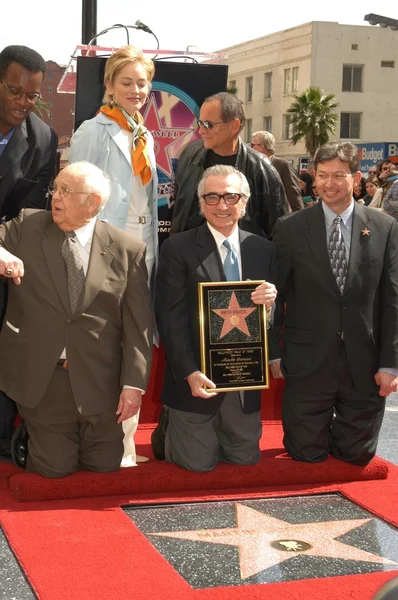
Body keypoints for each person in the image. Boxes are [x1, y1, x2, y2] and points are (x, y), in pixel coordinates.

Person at [0, 161, 153, 478]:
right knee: (55, 470)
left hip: (100, 382)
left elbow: (139, 326)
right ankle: (30, 433)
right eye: (56, 188)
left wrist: (133, 386)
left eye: (66, 191)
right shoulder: (27, 226)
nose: (56, 196)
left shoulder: (127, 249)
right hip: (44, 377)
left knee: (103, 468)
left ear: (93, 202)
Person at [272, 141, 398, 466]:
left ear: (356, 178)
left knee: (355, 458)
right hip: (307, 363)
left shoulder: (385, 228)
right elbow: (275, 296)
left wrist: (390, 364)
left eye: (339, 175)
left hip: (365, 366)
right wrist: (273, 353)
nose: (329, 184)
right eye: (323, 175)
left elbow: (392, 300)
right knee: (305, 454)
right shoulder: (290, 228)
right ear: (314, 177)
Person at [153, 165, 279, 471]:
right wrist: (189, 372)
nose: (222, 205)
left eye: (231, 196)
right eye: (212, 197)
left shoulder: (263, 249)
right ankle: (170, 423)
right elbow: (169, 317)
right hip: (196, 379)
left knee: (245, 460)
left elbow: (269, 322)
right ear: (200, 202)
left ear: (244, 202)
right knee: (197, 465)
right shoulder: (177, 248)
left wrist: (270, 304)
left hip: (242, 382)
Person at [69, 45, 158, 467]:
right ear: (109, 85)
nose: (136, 90)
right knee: (104, 344)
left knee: (135, 340)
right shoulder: (93, 130)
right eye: (127, 82)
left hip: (141, 253)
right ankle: (102, 443)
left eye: (142, 82)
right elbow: (75, 198)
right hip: (104, 253)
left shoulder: (145, 134)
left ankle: (126, 445)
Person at [0, 45, 58, 462]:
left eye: (32, 96)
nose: (24, 103)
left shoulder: (41, 138)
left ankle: (3, 437)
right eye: (15, 91)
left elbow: (31, 212)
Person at [170, 92, 289, 238]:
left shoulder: (262, 169)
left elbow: (279, 230)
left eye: (208, 125)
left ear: (234, 125)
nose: (201, 131)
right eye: (200, 123)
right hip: (189, 255)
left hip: (241, 258)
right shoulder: (189, 155)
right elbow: (180, 211)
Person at [251, 131, 303, 212]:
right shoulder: (253, 166)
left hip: (278, 217)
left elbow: (293, 194)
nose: (250, 149)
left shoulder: (282, 165)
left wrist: (300, 217)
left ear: (261, 147)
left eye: (252, 145)